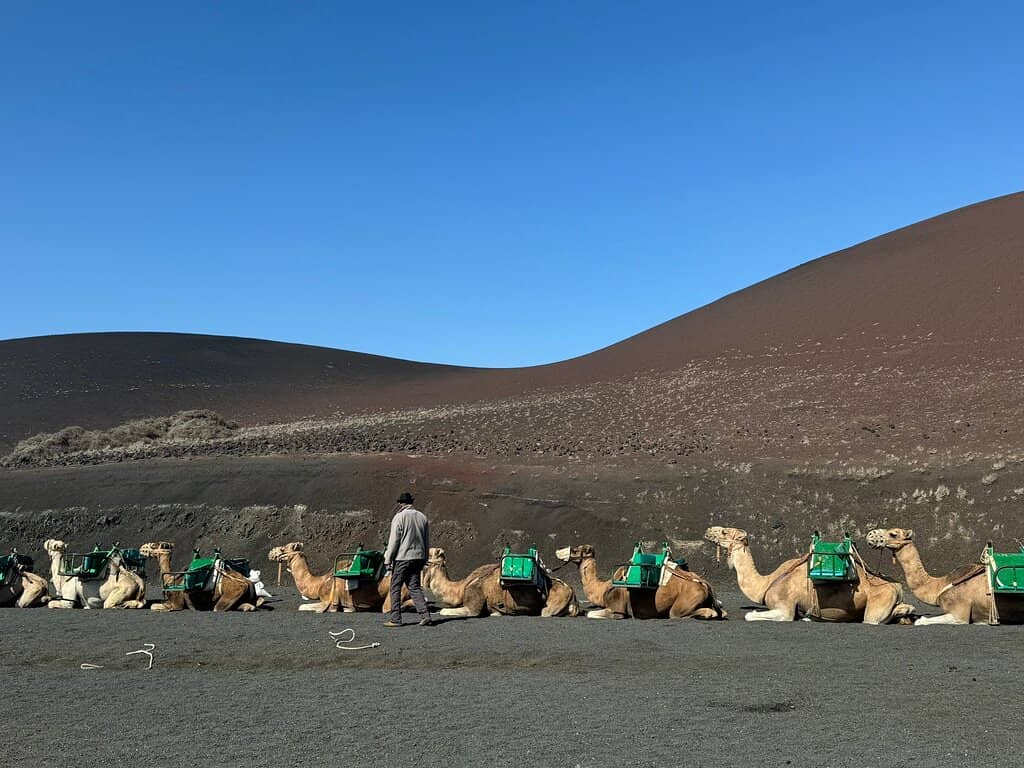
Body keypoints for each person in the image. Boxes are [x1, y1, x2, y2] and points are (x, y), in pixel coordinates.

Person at [383, 492, 433, 627]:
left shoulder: (399, 517)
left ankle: (395, 619)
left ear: (400, 503)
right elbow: (426, 540)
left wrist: (388, 560)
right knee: (414, 587)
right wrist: (425, 558)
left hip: (403, 557)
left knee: (395, 587)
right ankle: (425, 615)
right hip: (419, 557)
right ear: (411, 502)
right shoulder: (423, 517)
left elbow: (394, 541)